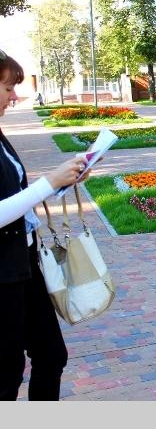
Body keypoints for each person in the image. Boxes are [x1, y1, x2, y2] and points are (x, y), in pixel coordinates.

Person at [0, 49, 90, 400]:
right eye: (8, 87)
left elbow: (17, 198)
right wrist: (48, 183)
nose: (14, 96)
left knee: (51, 355)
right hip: (3, 274)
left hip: (23, 264)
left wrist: (62, 182)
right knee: (7, 374)